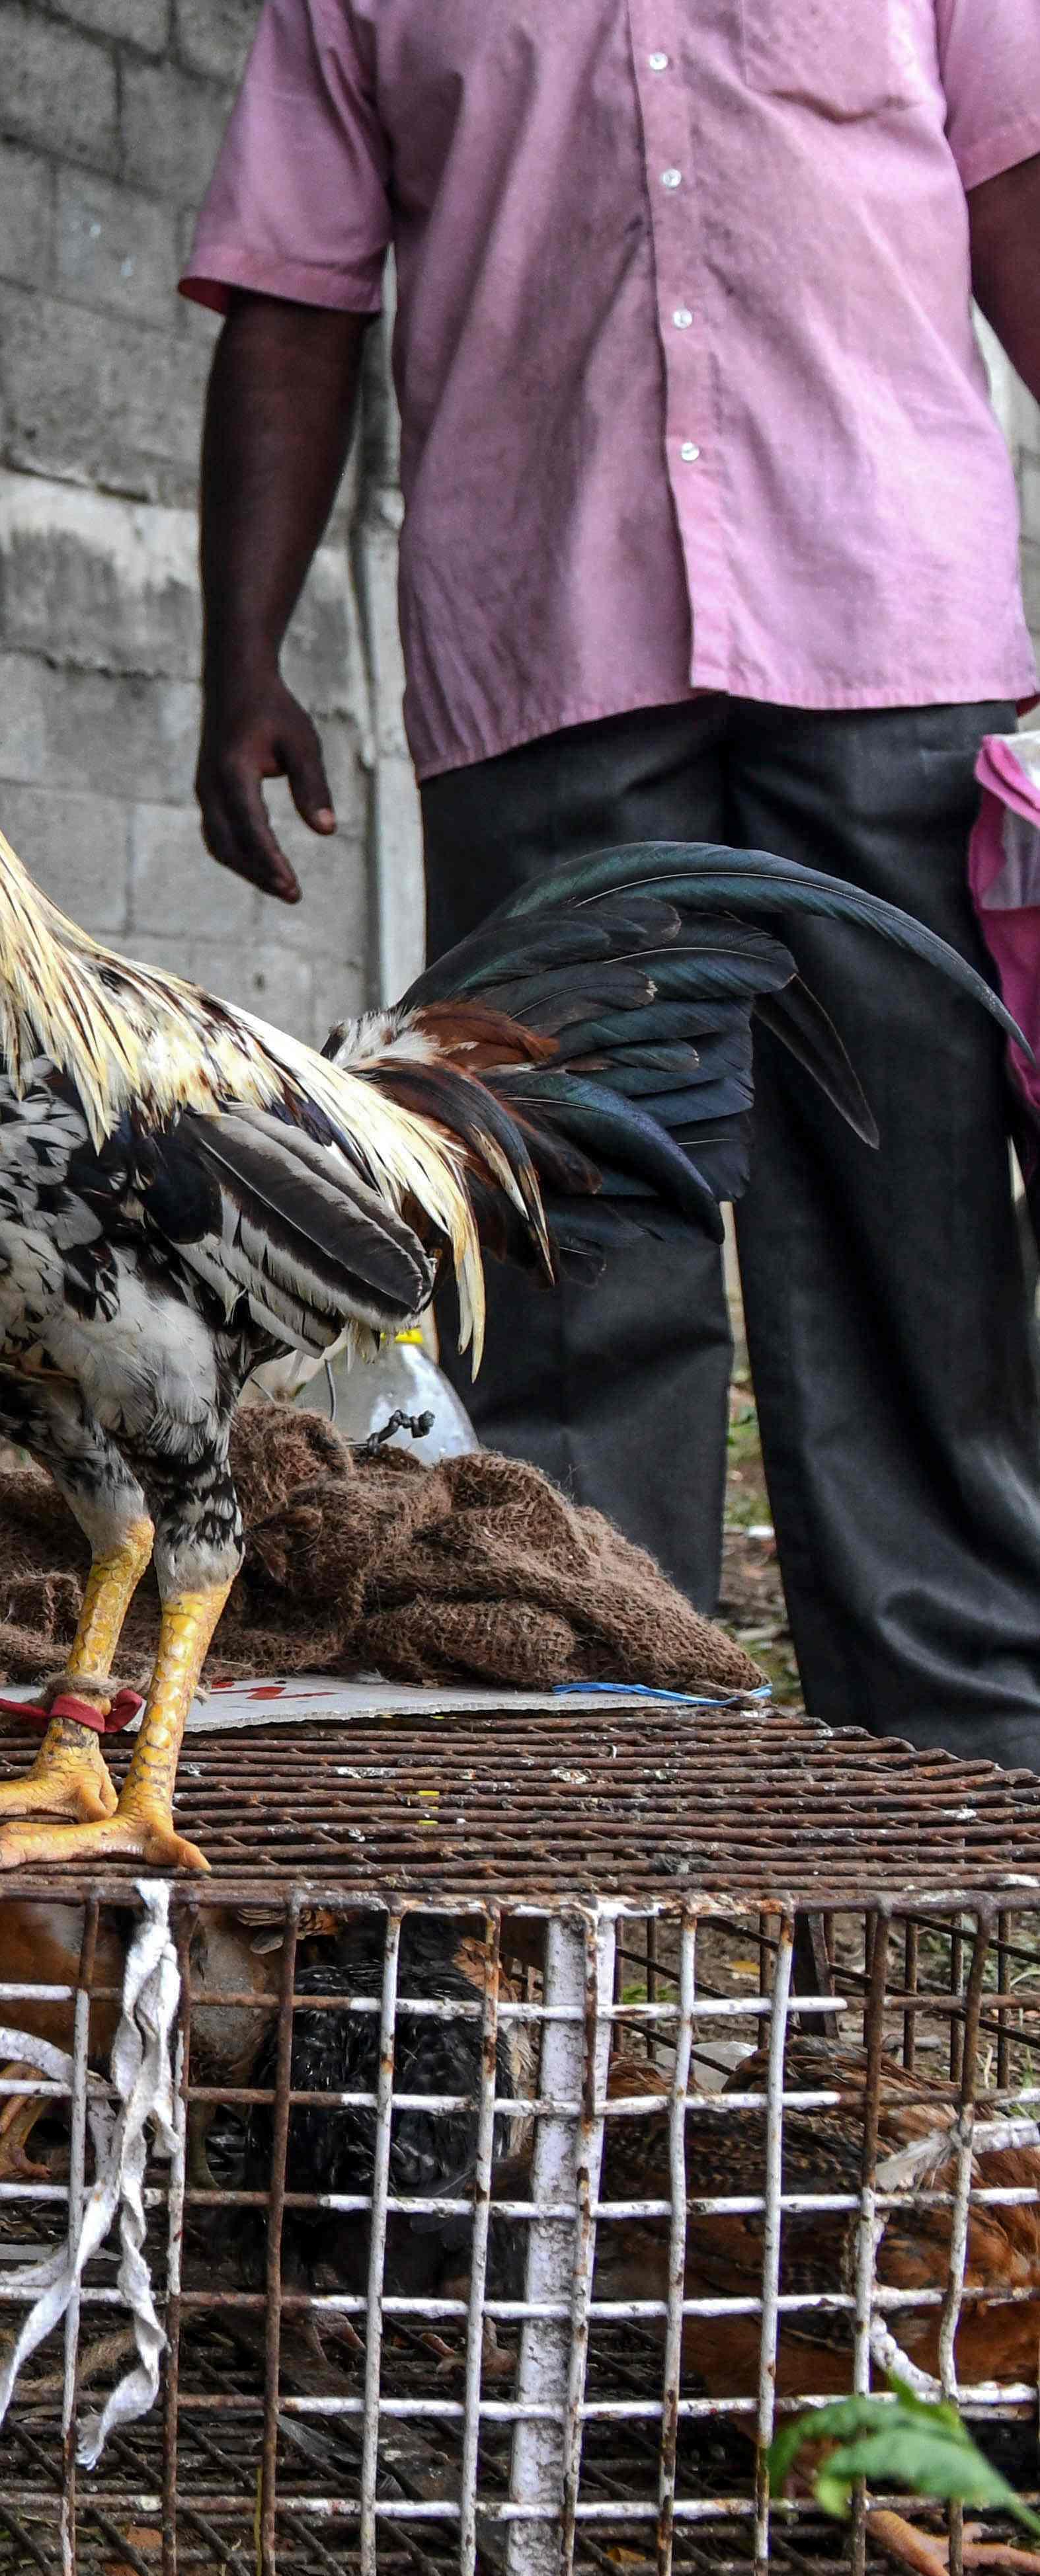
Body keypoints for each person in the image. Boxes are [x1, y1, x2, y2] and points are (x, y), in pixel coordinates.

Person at [183, 0, 1040, 1769]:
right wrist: (241, 660)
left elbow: (1022, 199)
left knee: (918, 1229)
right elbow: (298, 293)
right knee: (566, 1249)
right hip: (545, 657)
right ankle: (595, 1752)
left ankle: (957, 1767)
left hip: (883, 630)